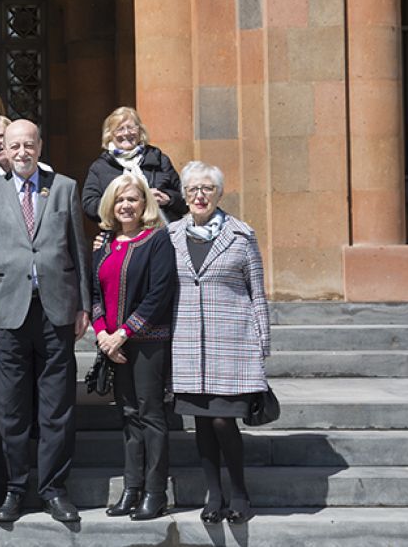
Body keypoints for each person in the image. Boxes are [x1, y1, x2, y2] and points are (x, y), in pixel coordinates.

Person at [0, 119, 91, 524]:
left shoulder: (63, 188)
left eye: (29, 144)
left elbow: (78, 252)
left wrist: (84, 306)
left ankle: (54, 489)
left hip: (56, 309)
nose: (22, 152)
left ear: (40, 146)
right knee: (10, 409)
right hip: (9, 313)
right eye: (14, 146)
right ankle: (13, 488)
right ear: (2, 150)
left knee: (56, 407)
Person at [168, 161, 270, 525]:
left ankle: (239, 492)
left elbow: (257, 292)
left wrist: (262, 342)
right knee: (202, 422)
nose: (200, 195)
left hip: (233, 344)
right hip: (188, 345)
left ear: (219, 193)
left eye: (207, 188)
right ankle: (214, 494)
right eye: (193, 189)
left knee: (225, 420)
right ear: (183, 194)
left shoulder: (242, 235)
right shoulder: (171, 235)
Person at [91, 173, 176, 521]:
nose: (126, 205)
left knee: (151, 416)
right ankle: (131, 488)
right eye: (120, 199)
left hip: (146, 343)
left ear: (145, 204)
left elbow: (159, 293)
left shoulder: (157, 240)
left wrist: (123, 333)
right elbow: (94, 293)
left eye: (133, 199)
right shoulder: (105, 244)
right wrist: (101, 335)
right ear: (111, 204)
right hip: (113, 345)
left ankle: (154, 493)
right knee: (127, 417)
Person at [82, 107, 187, 224]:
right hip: (121, 234)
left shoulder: (159, 159)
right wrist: (121, 201)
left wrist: (168, 198)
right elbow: (89, 205)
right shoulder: (101, 166)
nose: (126, 133)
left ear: (140, 131)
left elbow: (185, 199)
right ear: (110, 134)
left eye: (131, 127)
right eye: (119, 129)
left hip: (162, 231)